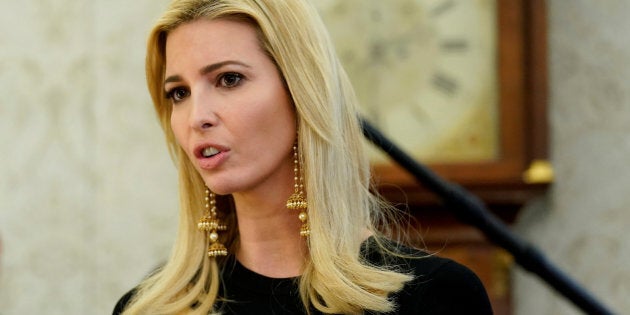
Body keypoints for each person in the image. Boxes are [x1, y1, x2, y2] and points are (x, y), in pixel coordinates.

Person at [114, 0, 493, 314]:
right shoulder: (149, 308)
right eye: (179, 93)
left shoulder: (436, 297)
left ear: (302, 90)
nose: (197, 117)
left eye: (229, 79)